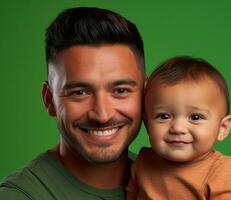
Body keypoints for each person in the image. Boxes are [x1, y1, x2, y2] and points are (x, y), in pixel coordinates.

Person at [0, 7, 145, 200]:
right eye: (80, 92)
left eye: (120, 90)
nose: (102, 115)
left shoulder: (170, 181)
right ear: (50, 99)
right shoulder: (20, 195)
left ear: (146, 93)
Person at [127, 56, 231, 200]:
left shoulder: (223, 172)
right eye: (164, 116)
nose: (177, 128)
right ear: (147, 125)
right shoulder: (144, 162)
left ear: (223, 128)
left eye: (195, 117)